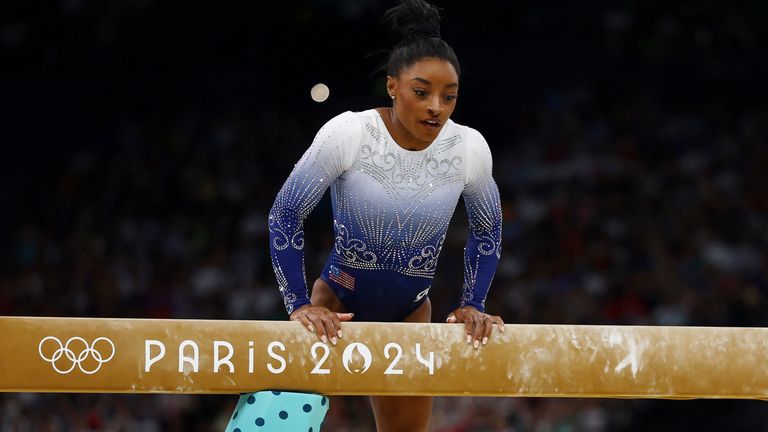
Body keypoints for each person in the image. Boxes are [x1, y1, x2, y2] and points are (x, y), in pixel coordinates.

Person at [268, 0, 504, 430]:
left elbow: (487, 233)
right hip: (335, 305)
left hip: (411, 316)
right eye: (422, 92)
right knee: (281, 422)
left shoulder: (469, 148)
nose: (437, 106)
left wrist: (473, 302)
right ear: (393, 86)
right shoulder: (351, 132)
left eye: (449, 97)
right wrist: (298, 305)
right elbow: (285, 214)